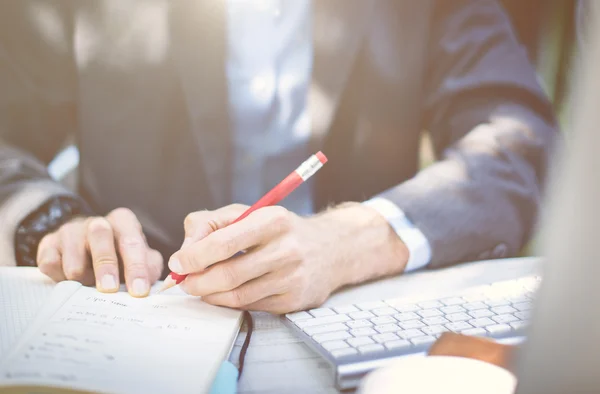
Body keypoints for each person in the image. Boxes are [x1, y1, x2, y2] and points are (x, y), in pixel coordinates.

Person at [0, 0, 557, 313]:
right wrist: (55, 221)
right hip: (133, 306)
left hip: (346, 311)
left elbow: (516, 141)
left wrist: (354, 240)